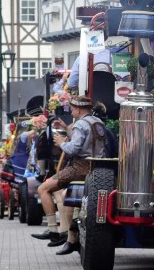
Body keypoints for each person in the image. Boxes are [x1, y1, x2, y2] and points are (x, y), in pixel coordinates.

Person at [34, 96, 108, 253]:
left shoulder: (80, 124)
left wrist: (61, 143)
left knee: (43, 189)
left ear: (79, 109)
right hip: (98, 168)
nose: (71, 112)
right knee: (66, 195)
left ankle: (53, 231)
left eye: (72, 109)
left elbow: (73, 149)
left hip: (80, 168)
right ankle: (69, 236)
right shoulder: (98, 123)